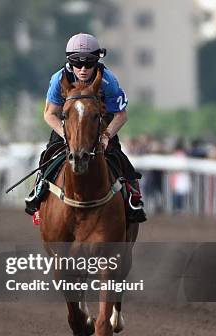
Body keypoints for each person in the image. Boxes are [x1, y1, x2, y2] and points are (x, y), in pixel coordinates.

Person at [25, 33, 147, 223]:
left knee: (120, 158)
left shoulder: (108, 80)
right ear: (69, 61)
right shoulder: (58, 79)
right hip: (69, 125)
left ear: (97, 60)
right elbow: (49, 114)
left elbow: (121, 115)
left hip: (98, 125)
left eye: (89, 63)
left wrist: (106, 136)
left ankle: (133, 198)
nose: (83, 69)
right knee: (47, 155)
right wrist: (67, 136)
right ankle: (38, 193)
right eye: (77, 63)